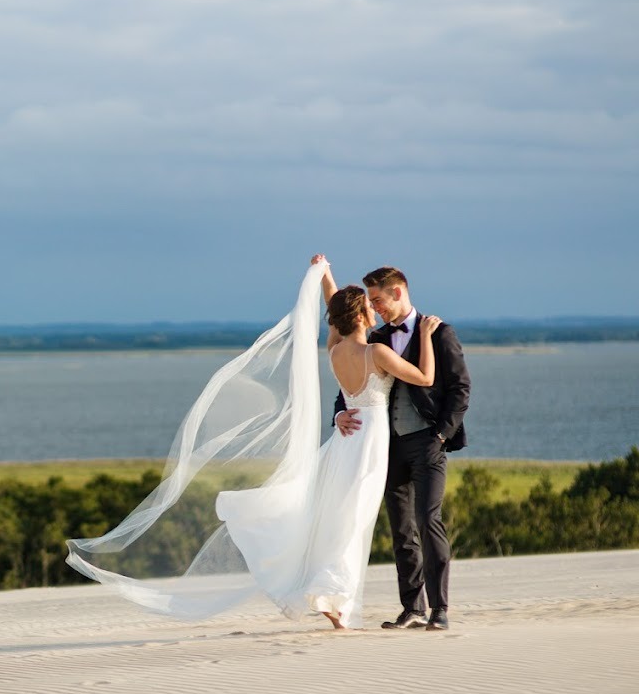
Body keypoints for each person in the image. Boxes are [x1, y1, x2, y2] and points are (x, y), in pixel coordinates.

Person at [65, 256, 445, 631]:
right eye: (368, 306)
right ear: (360, 316)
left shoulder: (334, 349)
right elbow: (425, 378)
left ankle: (332, 596)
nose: (374, 310)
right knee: (353, 519)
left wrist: (325, 275)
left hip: (347, 438)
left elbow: (335, 309)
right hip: (369, 444)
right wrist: (426, 336)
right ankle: (331, 592)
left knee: (338, 515)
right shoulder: (377, 352)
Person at [333, 267, 470, 631]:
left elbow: (460, 387)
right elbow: (348, 387)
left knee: (427, 519)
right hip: (387, 447)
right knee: (401, 529)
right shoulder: (376, 339)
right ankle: (412, 608)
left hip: (428, 442)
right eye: (370, 302)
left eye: (377, 299)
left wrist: (441, 435)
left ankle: (440, 609)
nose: (374, 308)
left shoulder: (439, 332)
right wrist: (338, 415)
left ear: (397, 292)